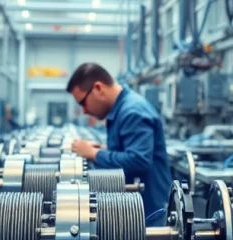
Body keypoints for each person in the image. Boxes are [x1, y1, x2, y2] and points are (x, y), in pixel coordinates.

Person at [66, 63, 172, 222]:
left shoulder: (132, 111)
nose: (84, 111)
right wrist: (103, 149)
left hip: (150, 214)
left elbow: (139, 160)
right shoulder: (122, 108)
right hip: (138, 208)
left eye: (83, 102)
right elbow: (129, 149)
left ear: (98, 88)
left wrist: (94, 153)